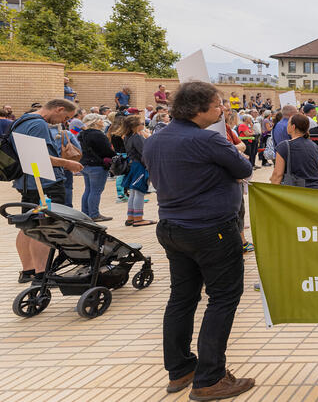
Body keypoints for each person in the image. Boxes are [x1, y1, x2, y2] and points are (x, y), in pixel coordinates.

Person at [143, 81, 256, 399]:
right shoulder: (208, 140)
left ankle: (180, 370)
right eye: (219, 104)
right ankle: (210, 378)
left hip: (171, 228)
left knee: (182, 298)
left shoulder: (156, 140)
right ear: (199, 108)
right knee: (223, 298)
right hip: (211, 230)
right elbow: (244, 168)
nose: (223, 109)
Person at [11, 99, 81, 283]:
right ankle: (42, 273)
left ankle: (28, 271)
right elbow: (37, 156)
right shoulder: (39, 124)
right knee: (44, 227)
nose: (62, 122)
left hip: (27, 182)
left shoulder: (21, 120)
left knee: (27, 225)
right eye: (65, 117)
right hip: (44, 183)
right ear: (59, 109)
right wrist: (67, 163)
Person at [77, 113, 115, 222]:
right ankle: (94, 214)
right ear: (95, 122)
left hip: (85, 164)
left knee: (88, 190)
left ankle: (85, 213)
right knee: (96, 191)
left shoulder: (82, 134)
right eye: (100, 120)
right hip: (97, 165)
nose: (102, 121)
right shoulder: (98, 135)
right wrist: (115, 156)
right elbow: (106, 151)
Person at [270, 114, 318, 189]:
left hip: (296, 191)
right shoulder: (315, 146)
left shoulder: (284, 146)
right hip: (316, 190)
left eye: (288, 123)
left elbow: (278, 174)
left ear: (293, 127)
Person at [121, 114, 154, 227]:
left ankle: (131, 217)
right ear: (135, 125)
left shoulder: (127, 136)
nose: (143, 125)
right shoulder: (137, 137)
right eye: (141, 123)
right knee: (139, 192)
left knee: (133, 192)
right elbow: (145, 153)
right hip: (139, 166)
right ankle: (138, 219)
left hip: (132, 165)